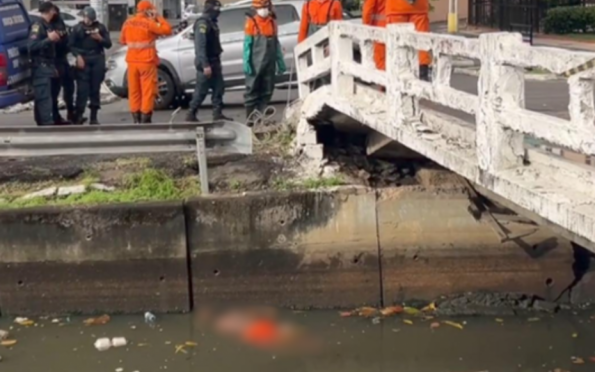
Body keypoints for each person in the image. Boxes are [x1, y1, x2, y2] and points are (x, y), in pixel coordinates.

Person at [120, 0, 172, 123]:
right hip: (146, 61)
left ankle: (135, 118)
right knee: (147, 91)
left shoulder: (127, 23)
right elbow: (167, 30)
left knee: (134, 90)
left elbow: (122, 40)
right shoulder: (149, 23)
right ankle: (145, 117)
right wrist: (158, 17)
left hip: (132, 62)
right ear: (148, 10)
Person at [184, 0, 231, 122]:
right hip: (207, 62)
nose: (218, 12)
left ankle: (217, 114)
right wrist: (205, 65)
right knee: (201, 91)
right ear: (211, 9)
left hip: (214, 61)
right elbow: (200, 46)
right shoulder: (202, 24)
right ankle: (191, 113)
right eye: (216, 9)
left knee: (219, 88)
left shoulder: (211, 22)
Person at [243, 0, 286, 124]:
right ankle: (250, 120)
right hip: (255, 64)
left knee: (267, 90)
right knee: (252, 91)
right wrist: (246, 62)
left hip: (269, 63)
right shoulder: (251, 22)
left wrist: (280, 61)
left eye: (266, 7)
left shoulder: (272, 22)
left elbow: (276, 44)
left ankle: (259, 117)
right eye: (261, 7)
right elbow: (247, 45)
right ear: (256, 8)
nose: (264, 10)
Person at [69, 6, 112, 125]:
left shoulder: (100, 28)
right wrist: (77, 56)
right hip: (83, 59)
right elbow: (71, 45)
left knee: (95, 89)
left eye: (88, 17)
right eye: (85, 17)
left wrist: (100, 38)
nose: (86, 20)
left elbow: (108, 44)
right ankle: (79, 115)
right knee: (82, 90)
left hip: (97, 58)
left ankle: (94, 117)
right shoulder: (77, 28)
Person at [28, 1, 60, 126]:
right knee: (44, 97)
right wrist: (48, 39)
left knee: (48, 95)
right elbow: (32, 46)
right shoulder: (38, 26)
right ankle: (46, 124)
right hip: (40, 67)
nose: (54, 13)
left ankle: (44, 122)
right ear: (48, 11)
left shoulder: (48, 25)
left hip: (48, 65)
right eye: (53, 10)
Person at [386, 0, 430, 81]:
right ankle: (422, 75)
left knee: (397, 46)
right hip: (419, 7)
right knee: (421, 43)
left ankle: (399, 80)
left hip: (396, 7)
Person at [50, 5, 76, 124]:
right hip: (55, 60)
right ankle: (55, 116)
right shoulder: (46, 24)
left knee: (69, 87)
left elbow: (66, 38)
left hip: (64, 58)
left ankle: (71, 112)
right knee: (54, 90)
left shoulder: (59, 21)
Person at [362, 0, 386, 71]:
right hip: (395, 25)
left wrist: (365, 30)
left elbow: (367, 12)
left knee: (381, 63)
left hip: (379, 30)